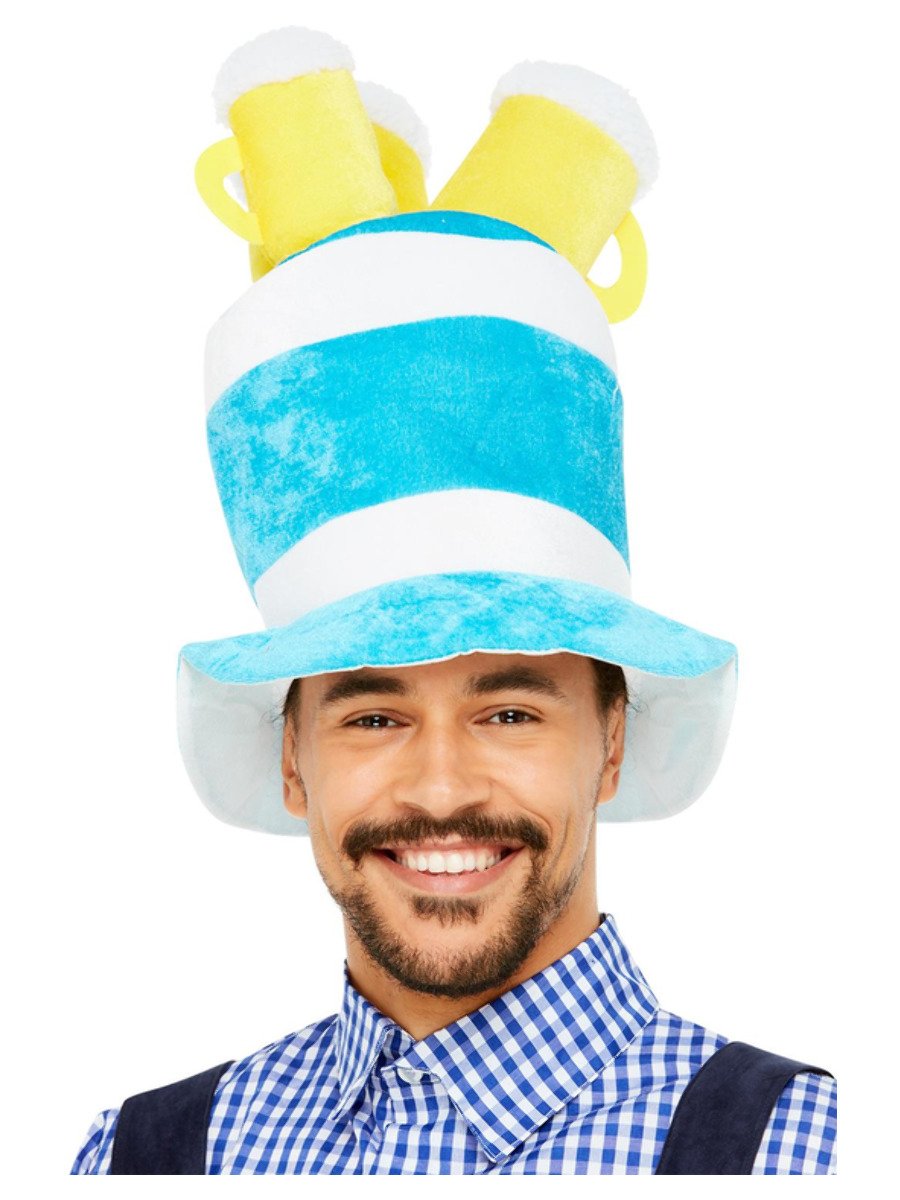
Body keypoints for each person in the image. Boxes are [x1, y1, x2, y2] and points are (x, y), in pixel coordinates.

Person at [71, 27, 836, 1175]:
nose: (439, 788)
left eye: (510, 710)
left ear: (612, 738)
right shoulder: (138, 1160)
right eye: (373, 714)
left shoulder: (802, 1155)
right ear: (292, 759)